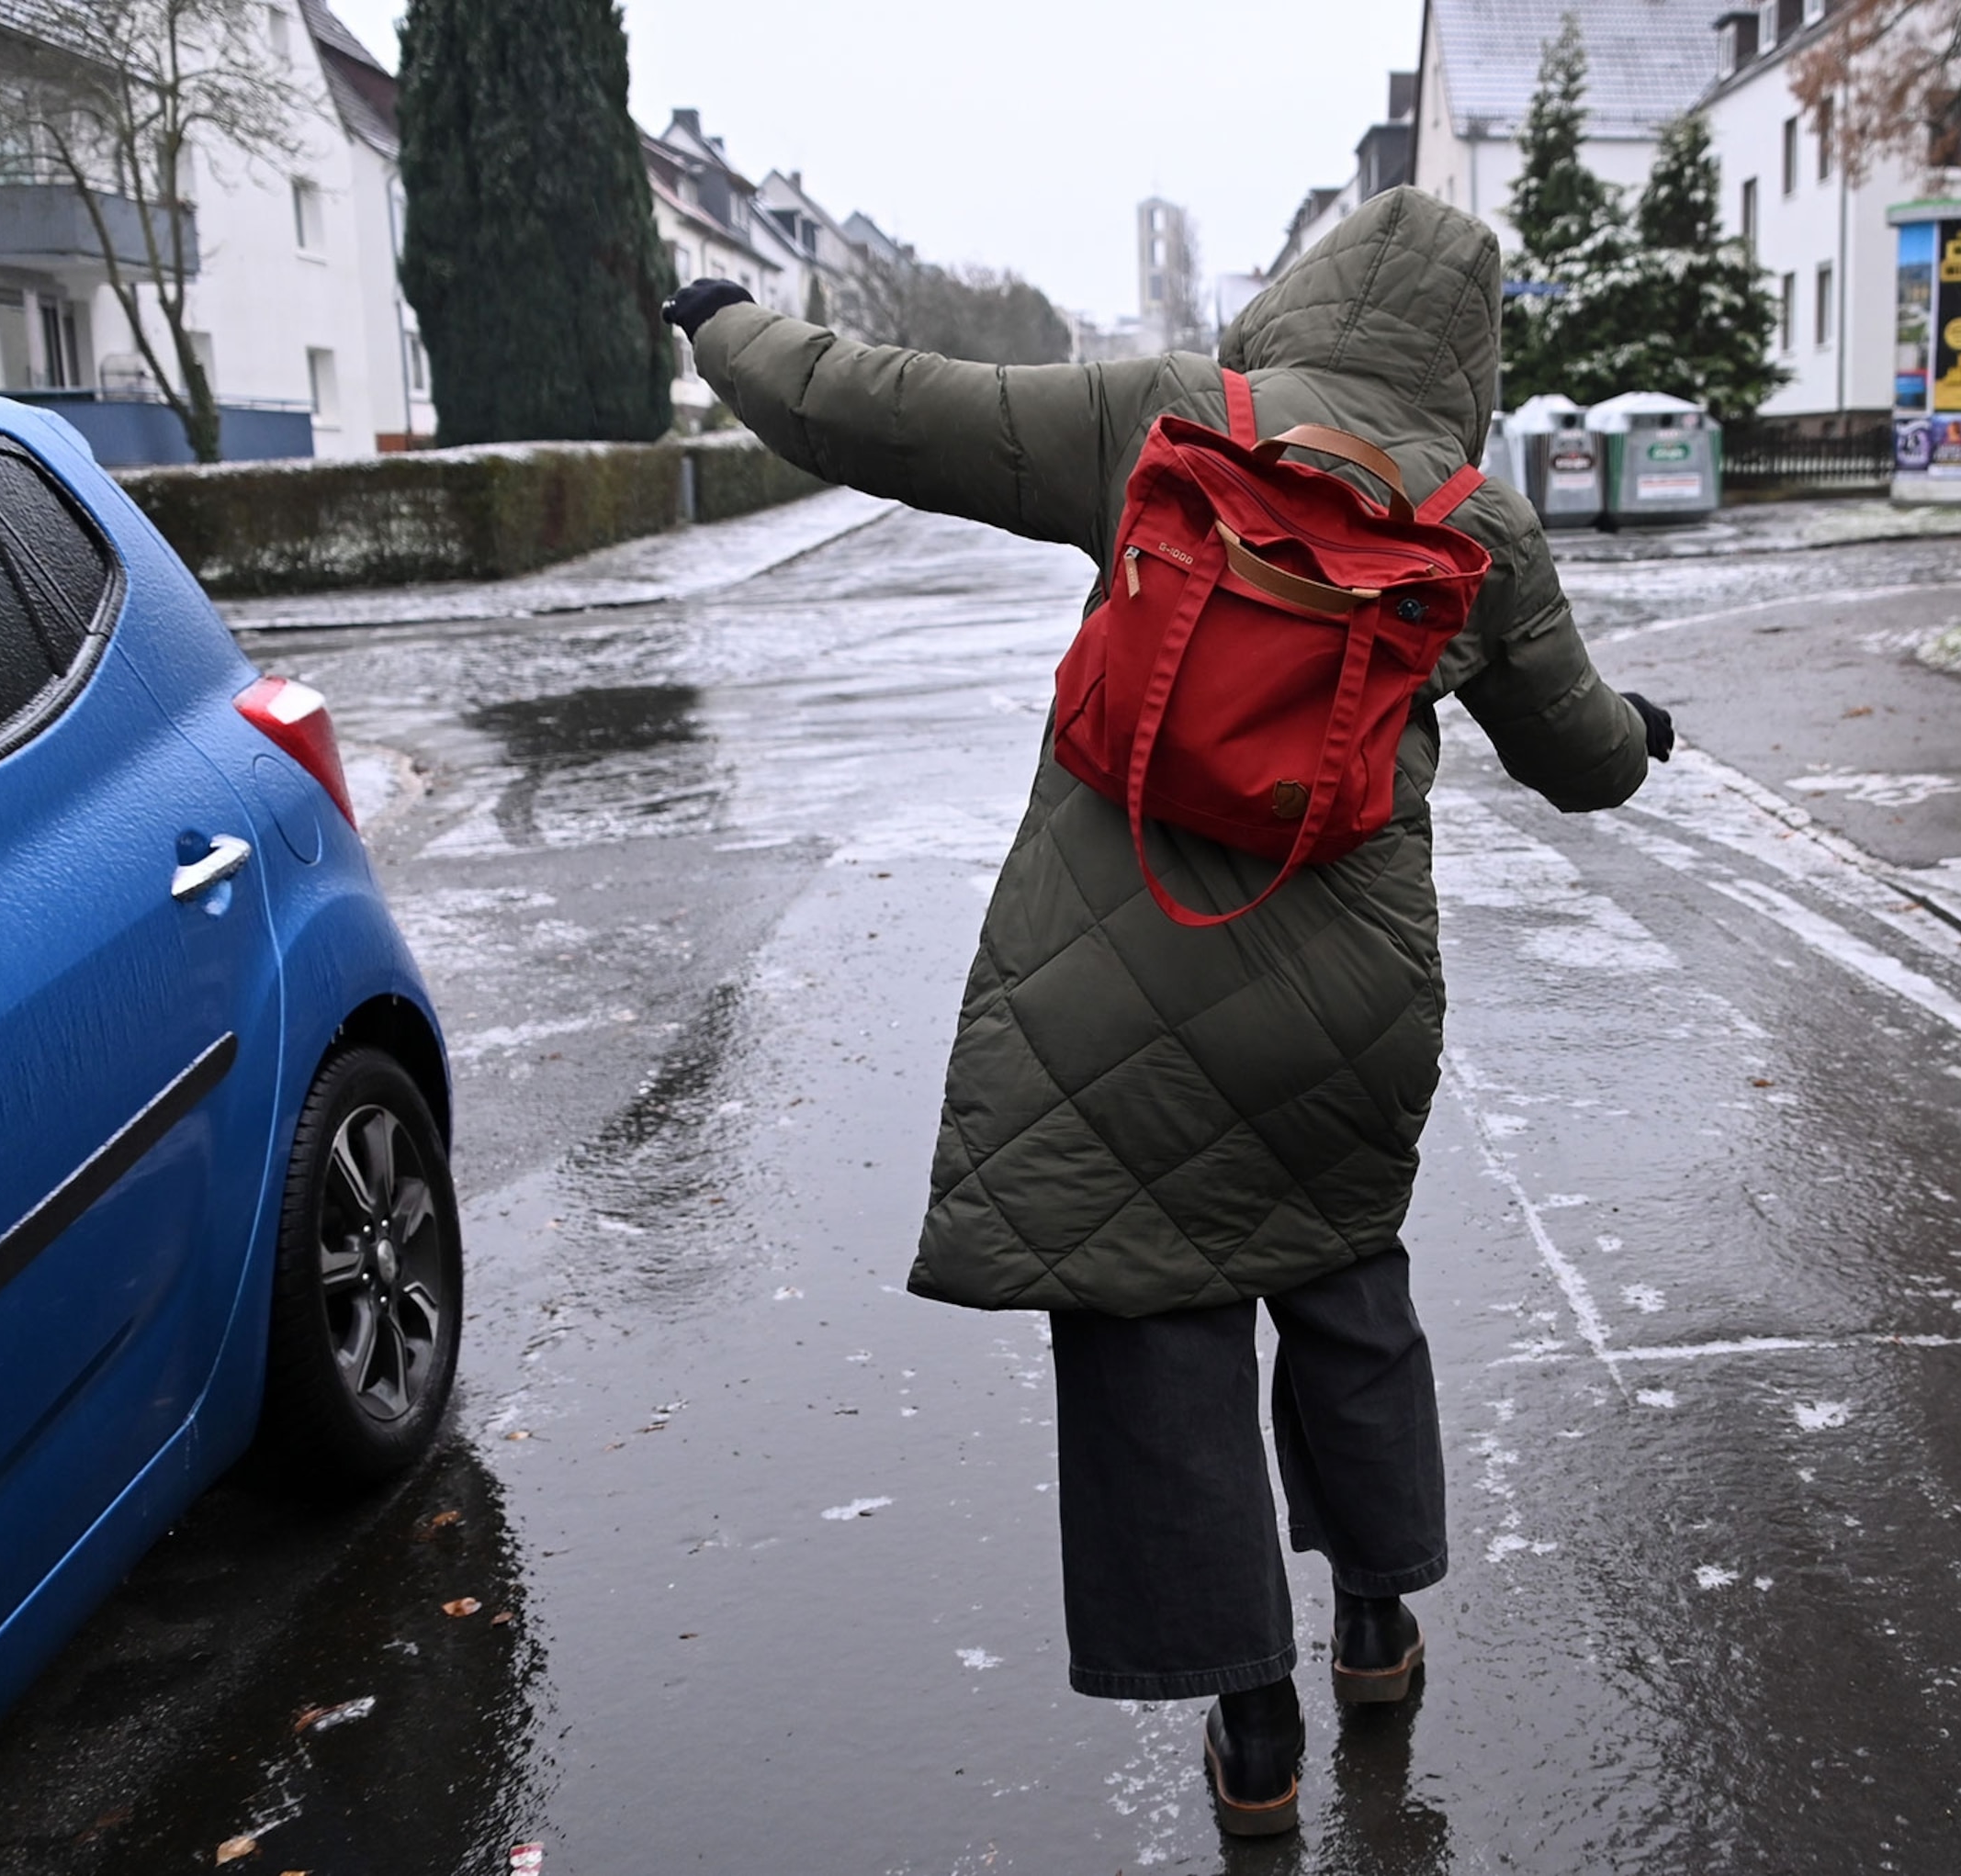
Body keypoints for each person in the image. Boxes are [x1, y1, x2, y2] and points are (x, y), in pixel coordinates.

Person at [664, 186, 1672, 1837]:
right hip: (1343, 1009)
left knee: (1159, 1337)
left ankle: (1252, 1735)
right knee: (1346, 1291)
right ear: (1468, 357)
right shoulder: (1478, 525)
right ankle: (1373, 1626)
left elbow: (878, 408)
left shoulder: (1155, 422)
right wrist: (1641, 724)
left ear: (1303, 295)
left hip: (1103, 992)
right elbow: (1585, 761)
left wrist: (722, 326)